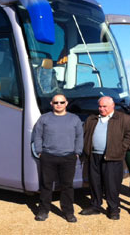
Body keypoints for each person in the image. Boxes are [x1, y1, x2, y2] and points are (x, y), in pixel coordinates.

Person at [79, 96, 130, 220]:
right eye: (100, 106)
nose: (101, 109)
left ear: (112, 106)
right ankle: (95, 206)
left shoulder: (124, 119)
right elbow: (83, 134)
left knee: (112, 184)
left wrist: (120, 148)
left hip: (113, 157)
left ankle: (113, 209)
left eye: (104, 106)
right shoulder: (92, 119)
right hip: (93, 155)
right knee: (95, 183)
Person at [32, 94, 83, 223]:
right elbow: (37, 135)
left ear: (66, 103)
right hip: (48, 156)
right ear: (51, 104)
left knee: (67, 186)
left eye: (61, 102)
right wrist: (39, 151)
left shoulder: (74, 119)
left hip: (68, 157)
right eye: (56, 103)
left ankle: (68, 212)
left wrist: (77, 152)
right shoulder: (44, 118)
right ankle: (43, 211)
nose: (59, 104)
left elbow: (79, 137)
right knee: (46, 185)